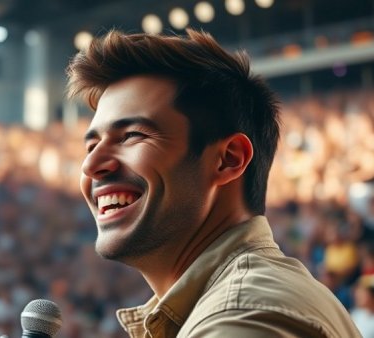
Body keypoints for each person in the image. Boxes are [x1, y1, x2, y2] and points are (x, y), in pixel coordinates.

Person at [66, 29, 360, 337]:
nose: (91, 165)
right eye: (91, 146)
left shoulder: (246, 315)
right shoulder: (230, 304)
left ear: (229, 159)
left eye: (132, 136)